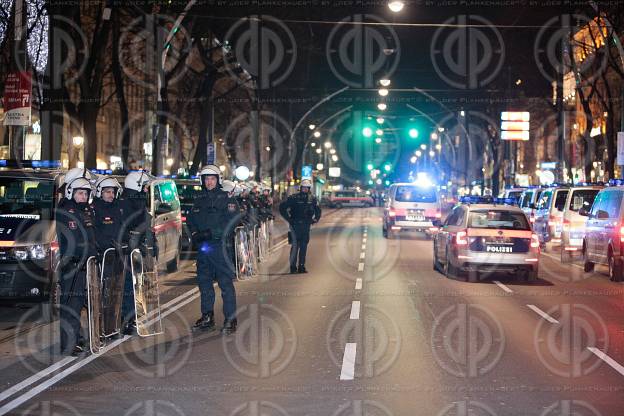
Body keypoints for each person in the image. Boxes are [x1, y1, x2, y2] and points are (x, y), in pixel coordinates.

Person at [187, 165, 240, 334]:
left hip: (220, 248)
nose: (209, 182)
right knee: (204, 284)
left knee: (225, 284)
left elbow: (232, 222)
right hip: (203, 248)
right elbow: (190, 219)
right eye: (206, 179)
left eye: (212, 179)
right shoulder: (199, 198)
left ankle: (230, 319)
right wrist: (194, 233)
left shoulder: (227, 198)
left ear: (218, 180)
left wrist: (212, 233)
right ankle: (207, 316)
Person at [55, 177, 98, 355]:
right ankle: (68, 345)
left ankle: (77, 339)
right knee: (71, 306)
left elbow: (89, 239)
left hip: (84, 267)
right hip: (72, 268)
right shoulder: (66, 212)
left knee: (79, 304)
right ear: (71, 193)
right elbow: (74, 242)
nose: (84, 196)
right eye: (80, 193)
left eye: (86, 193)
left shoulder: (84, 211)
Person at [118, 170, 155, 335]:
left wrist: (151, 242)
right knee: (128, 286)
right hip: (127, 252)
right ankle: (127, 321)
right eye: (145, 186)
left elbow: (144, 225)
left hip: (135, 251)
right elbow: (125, 227)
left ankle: (131, 319)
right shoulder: (127, 202)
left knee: (134, 286)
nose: (146, 190)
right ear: (137, 185)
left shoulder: (137, 201)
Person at [279, 179, 321, 274]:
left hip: (306, 225)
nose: (305, 189)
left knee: (303, 246)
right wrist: (289, 219)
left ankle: (301, 266)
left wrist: (316, 219)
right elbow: (282, 208)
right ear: (300, 188)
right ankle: (293, 267)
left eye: (307, 188)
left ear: (309, 189)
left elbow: (318, 210)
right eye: (304, 187)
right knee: (295, 246)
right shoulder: (293, 198)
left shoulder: (312, 199)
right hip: (295, 225)